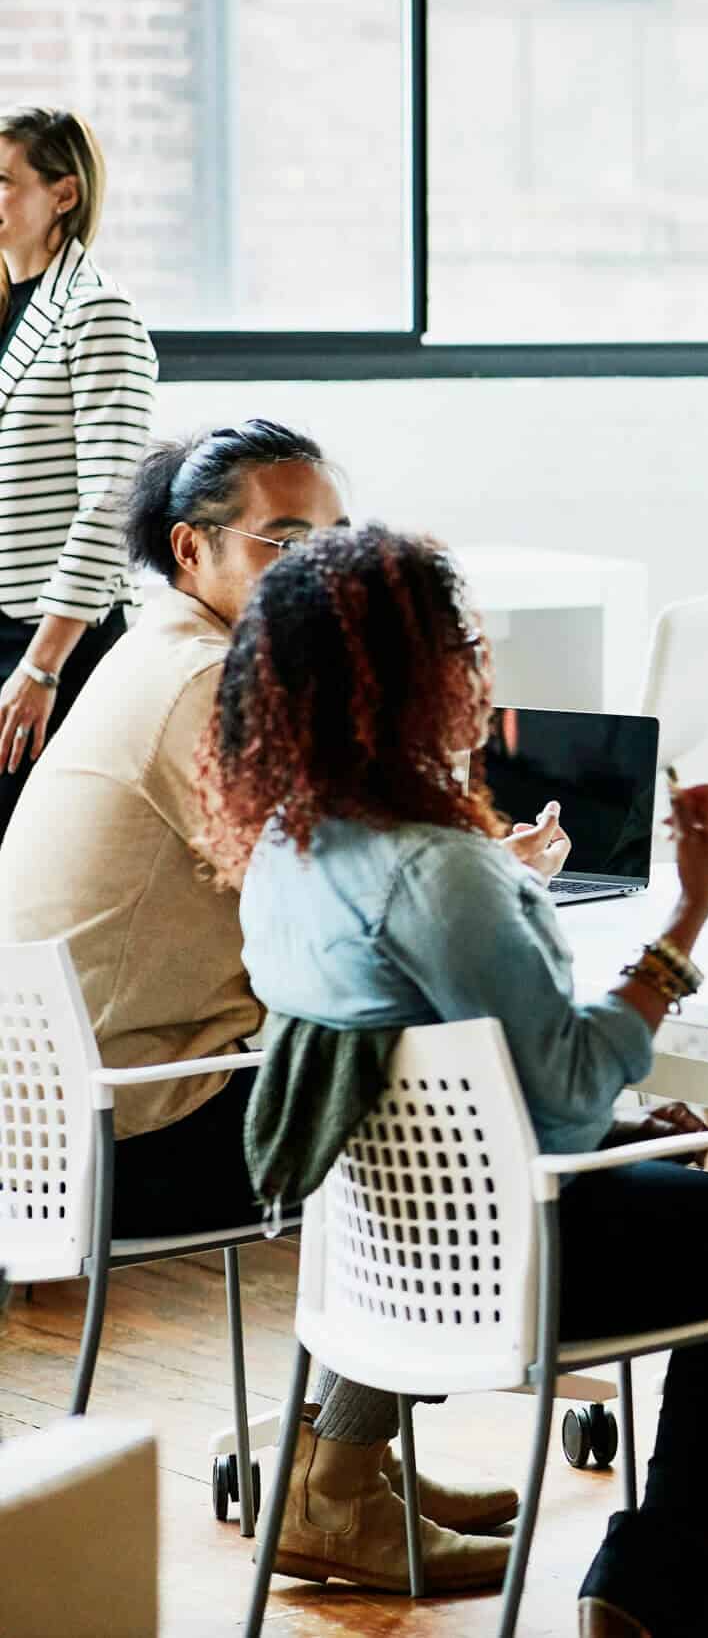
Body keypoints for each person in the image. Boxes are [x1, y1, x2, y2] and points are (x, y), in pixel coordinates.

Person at [209, 525, 708, 1637]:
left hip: (392, 1256)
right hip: (514, 1256)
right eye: (466, 645)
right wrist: (686, 918)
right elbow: (564, 1096)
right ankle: (677, 1588)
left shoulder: (288, 845)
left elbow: (467, 1073)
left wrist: (613, 1119)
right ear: (405, 679)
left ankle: (658, 1586)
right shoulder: (440, 869)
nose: (484, 667)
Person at [0, 424, 562, 1588]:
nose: (319, 573)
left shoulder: (163, 649)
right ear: (191, 549)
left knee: (401, 1074)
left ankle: (341, 1456)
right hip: (133, 1129)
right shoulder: (206, 682)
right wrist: (491, 884)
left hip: (56, 1126)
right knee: (449, 1128)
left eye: (335, 542)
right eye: (285, 543)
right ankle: (334, 1481)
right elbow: (345, 909)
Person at [0, 106, 157, 837]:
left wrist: (40, 669)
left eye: (2, 180)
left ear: (63, 193)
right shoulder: (10, 311)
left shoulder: (98, 313)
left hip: (54, 640)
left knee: (25, 852)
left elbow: (111, 502)